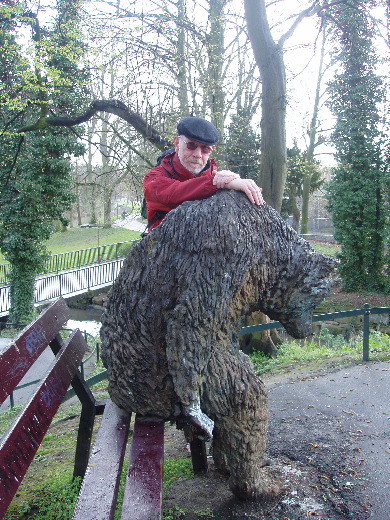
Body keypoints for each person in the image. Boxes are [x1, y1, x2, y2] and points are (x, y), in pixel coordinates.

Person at [143, 116, 264, 231]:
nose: (198, 154)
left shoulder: (217, 176)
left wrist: (230, 181)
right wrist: (217, 182)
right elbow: (175, 193)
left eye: (205, 148)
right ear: (177, 143)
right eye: (191, 145)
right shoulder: (153, 178)